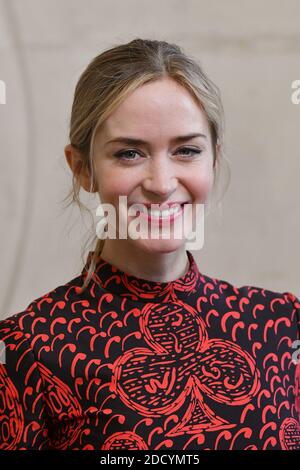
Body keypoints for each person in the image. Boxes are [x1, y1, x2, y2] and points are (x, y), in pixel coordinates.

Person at [0, 38, 299, 451]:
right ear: (82, 168)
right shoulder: (24, 349)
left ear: (213, 158)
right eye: (129, 154)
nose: (160, 184)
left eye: (187, 150)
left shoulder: (283, 327)